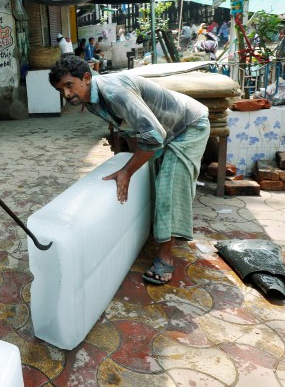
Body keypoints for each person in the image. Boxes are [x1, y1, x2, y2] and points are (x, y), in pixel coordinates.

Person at [47, 56, 209, 286]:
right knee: (154, 178)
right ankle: (165, 230)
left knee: (168, 187)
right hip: (166, 127)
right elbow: (131, 129)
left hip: (188, 126)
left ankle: (165, 258)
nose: (66, 94)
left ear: (86, 77)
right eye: (60, 90)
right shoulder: (91, 99)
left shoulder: (114, 92)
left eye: (68, 85)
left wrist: (127, 171)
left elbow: (153, 137)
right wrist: (135, 165)